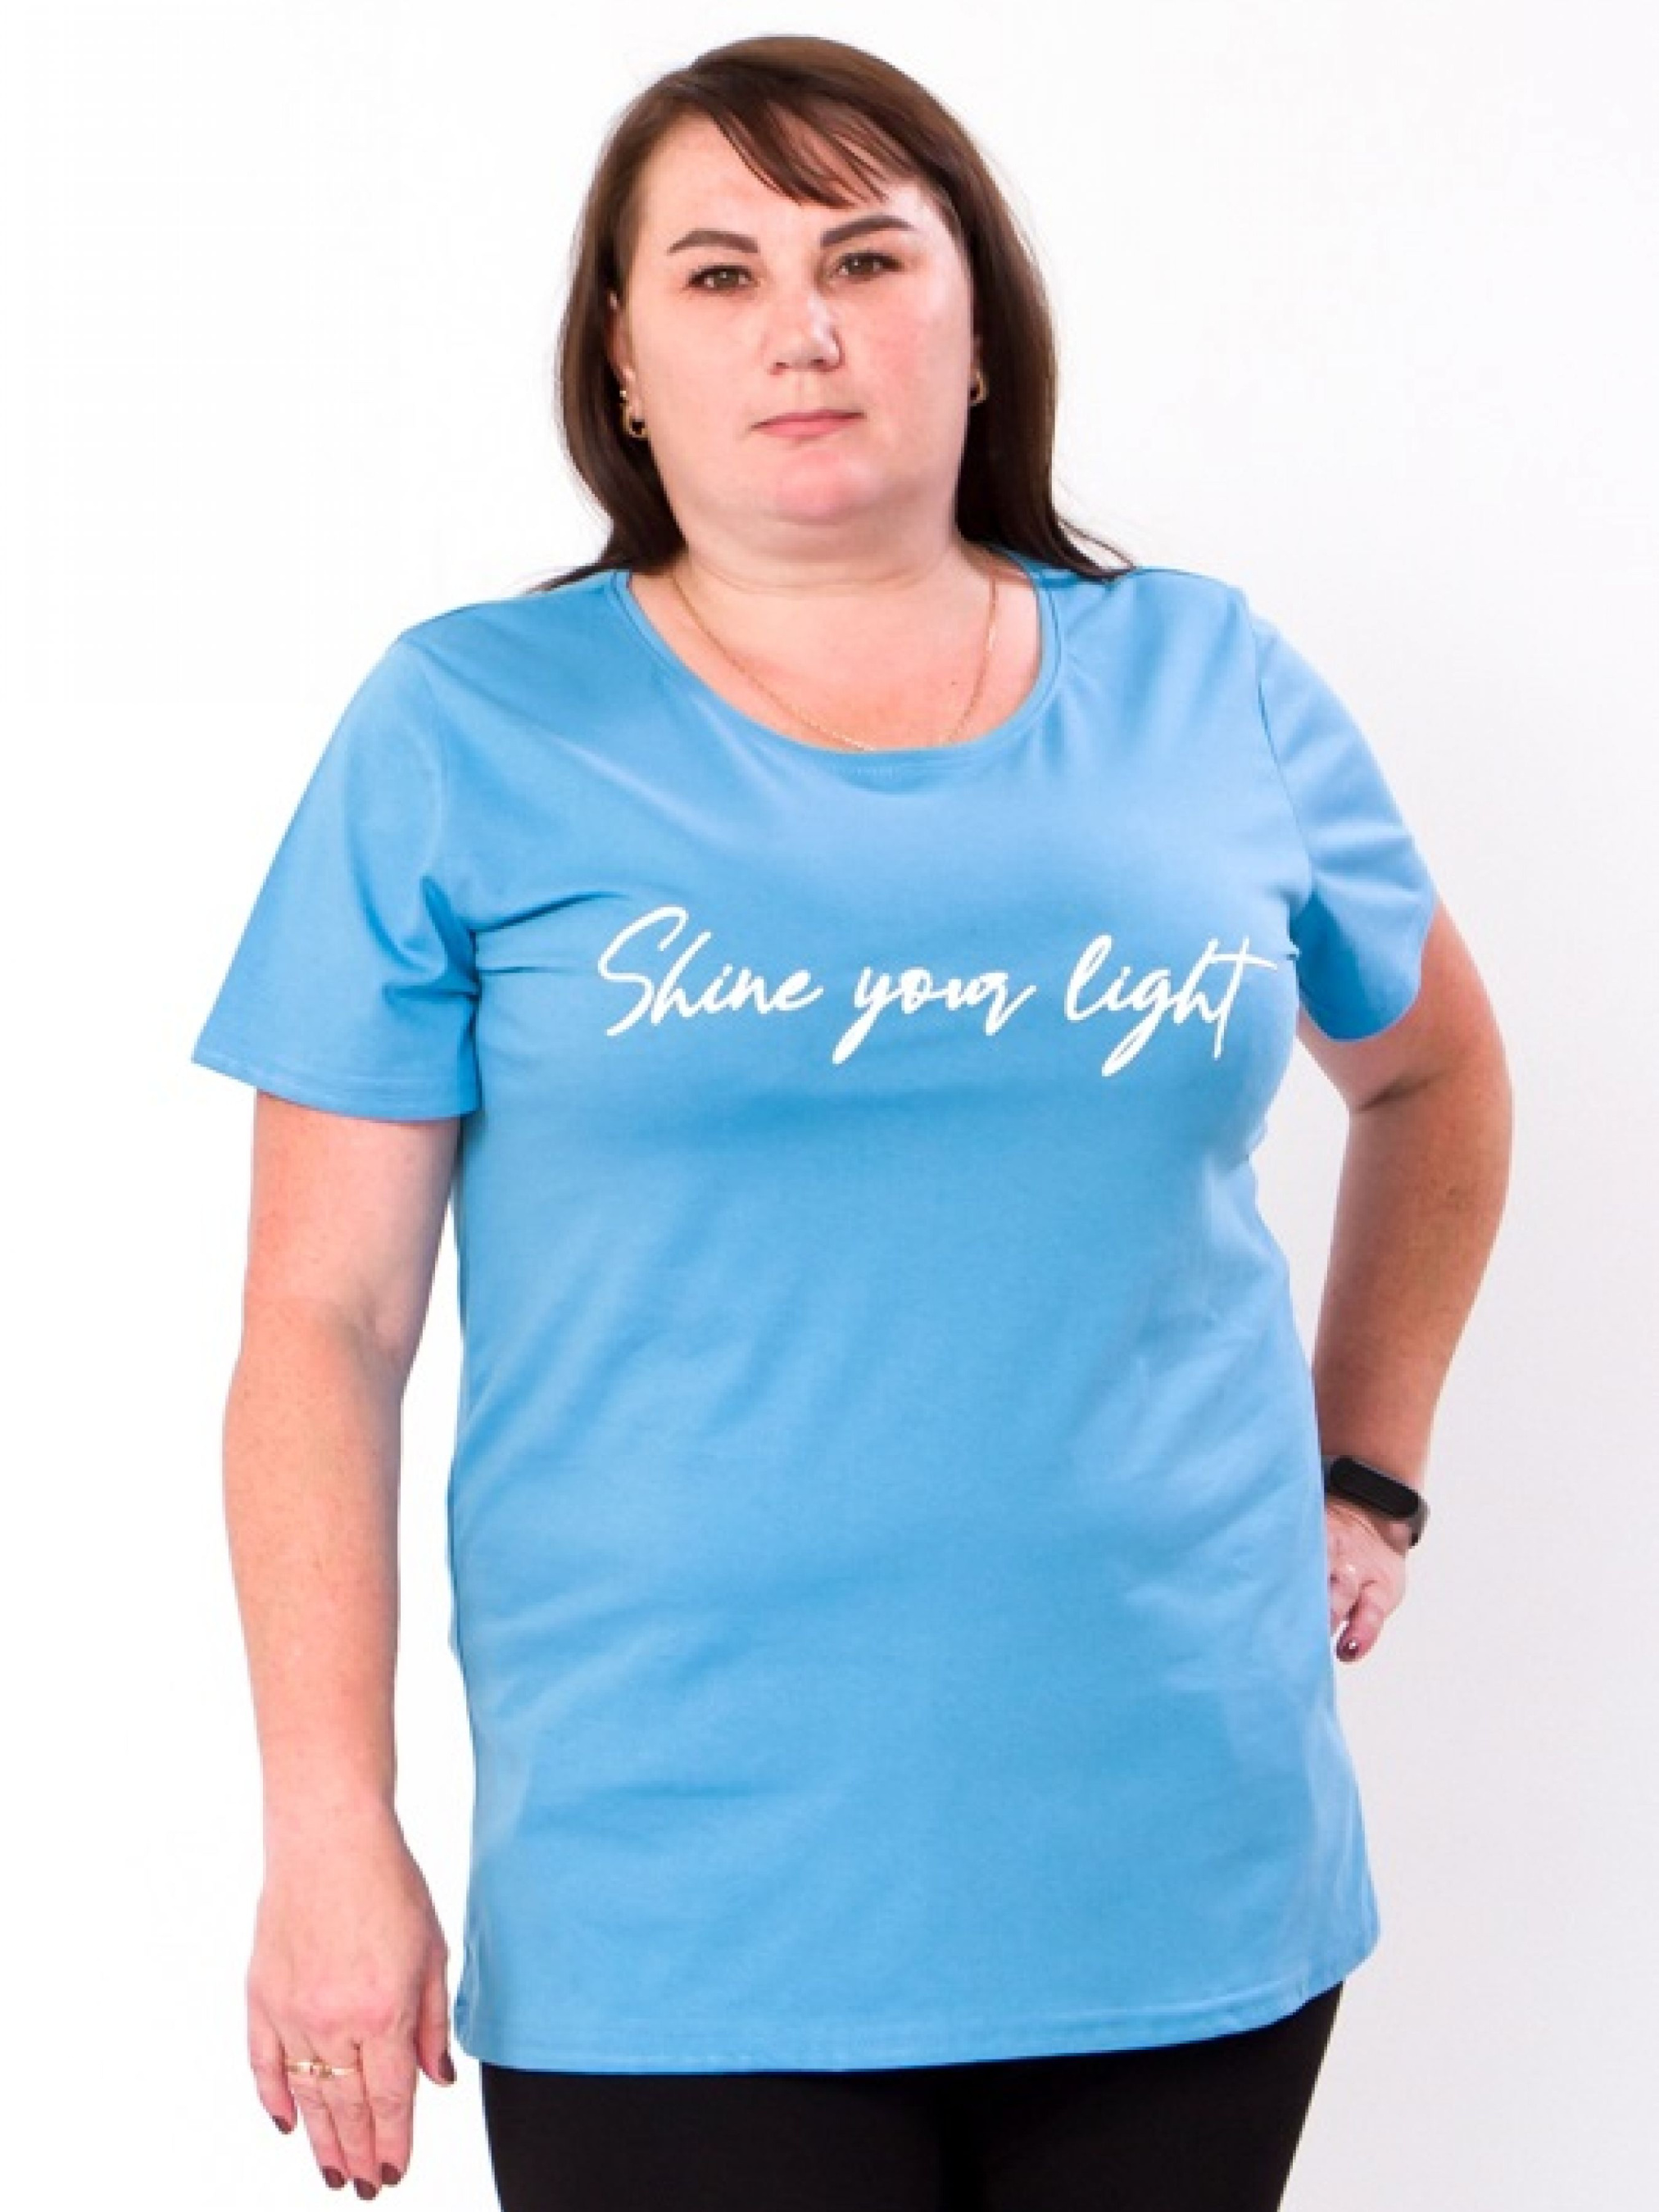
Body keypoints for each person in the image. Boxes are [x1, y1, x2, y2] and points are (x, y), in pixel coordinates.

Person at [189, 32, 1512, 2212]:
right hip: (676, 1898)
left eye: (868, 258)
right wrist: (330, 1828)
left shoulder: (1211, 683)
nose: (799, 325)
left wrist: (1364, 1464)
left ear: (978, 328)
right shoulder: (466, 729)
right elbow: (325, 1325)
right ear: (623, 364)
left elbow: (1434, 1073)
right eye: (716, 274)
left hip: (1182, 1855)